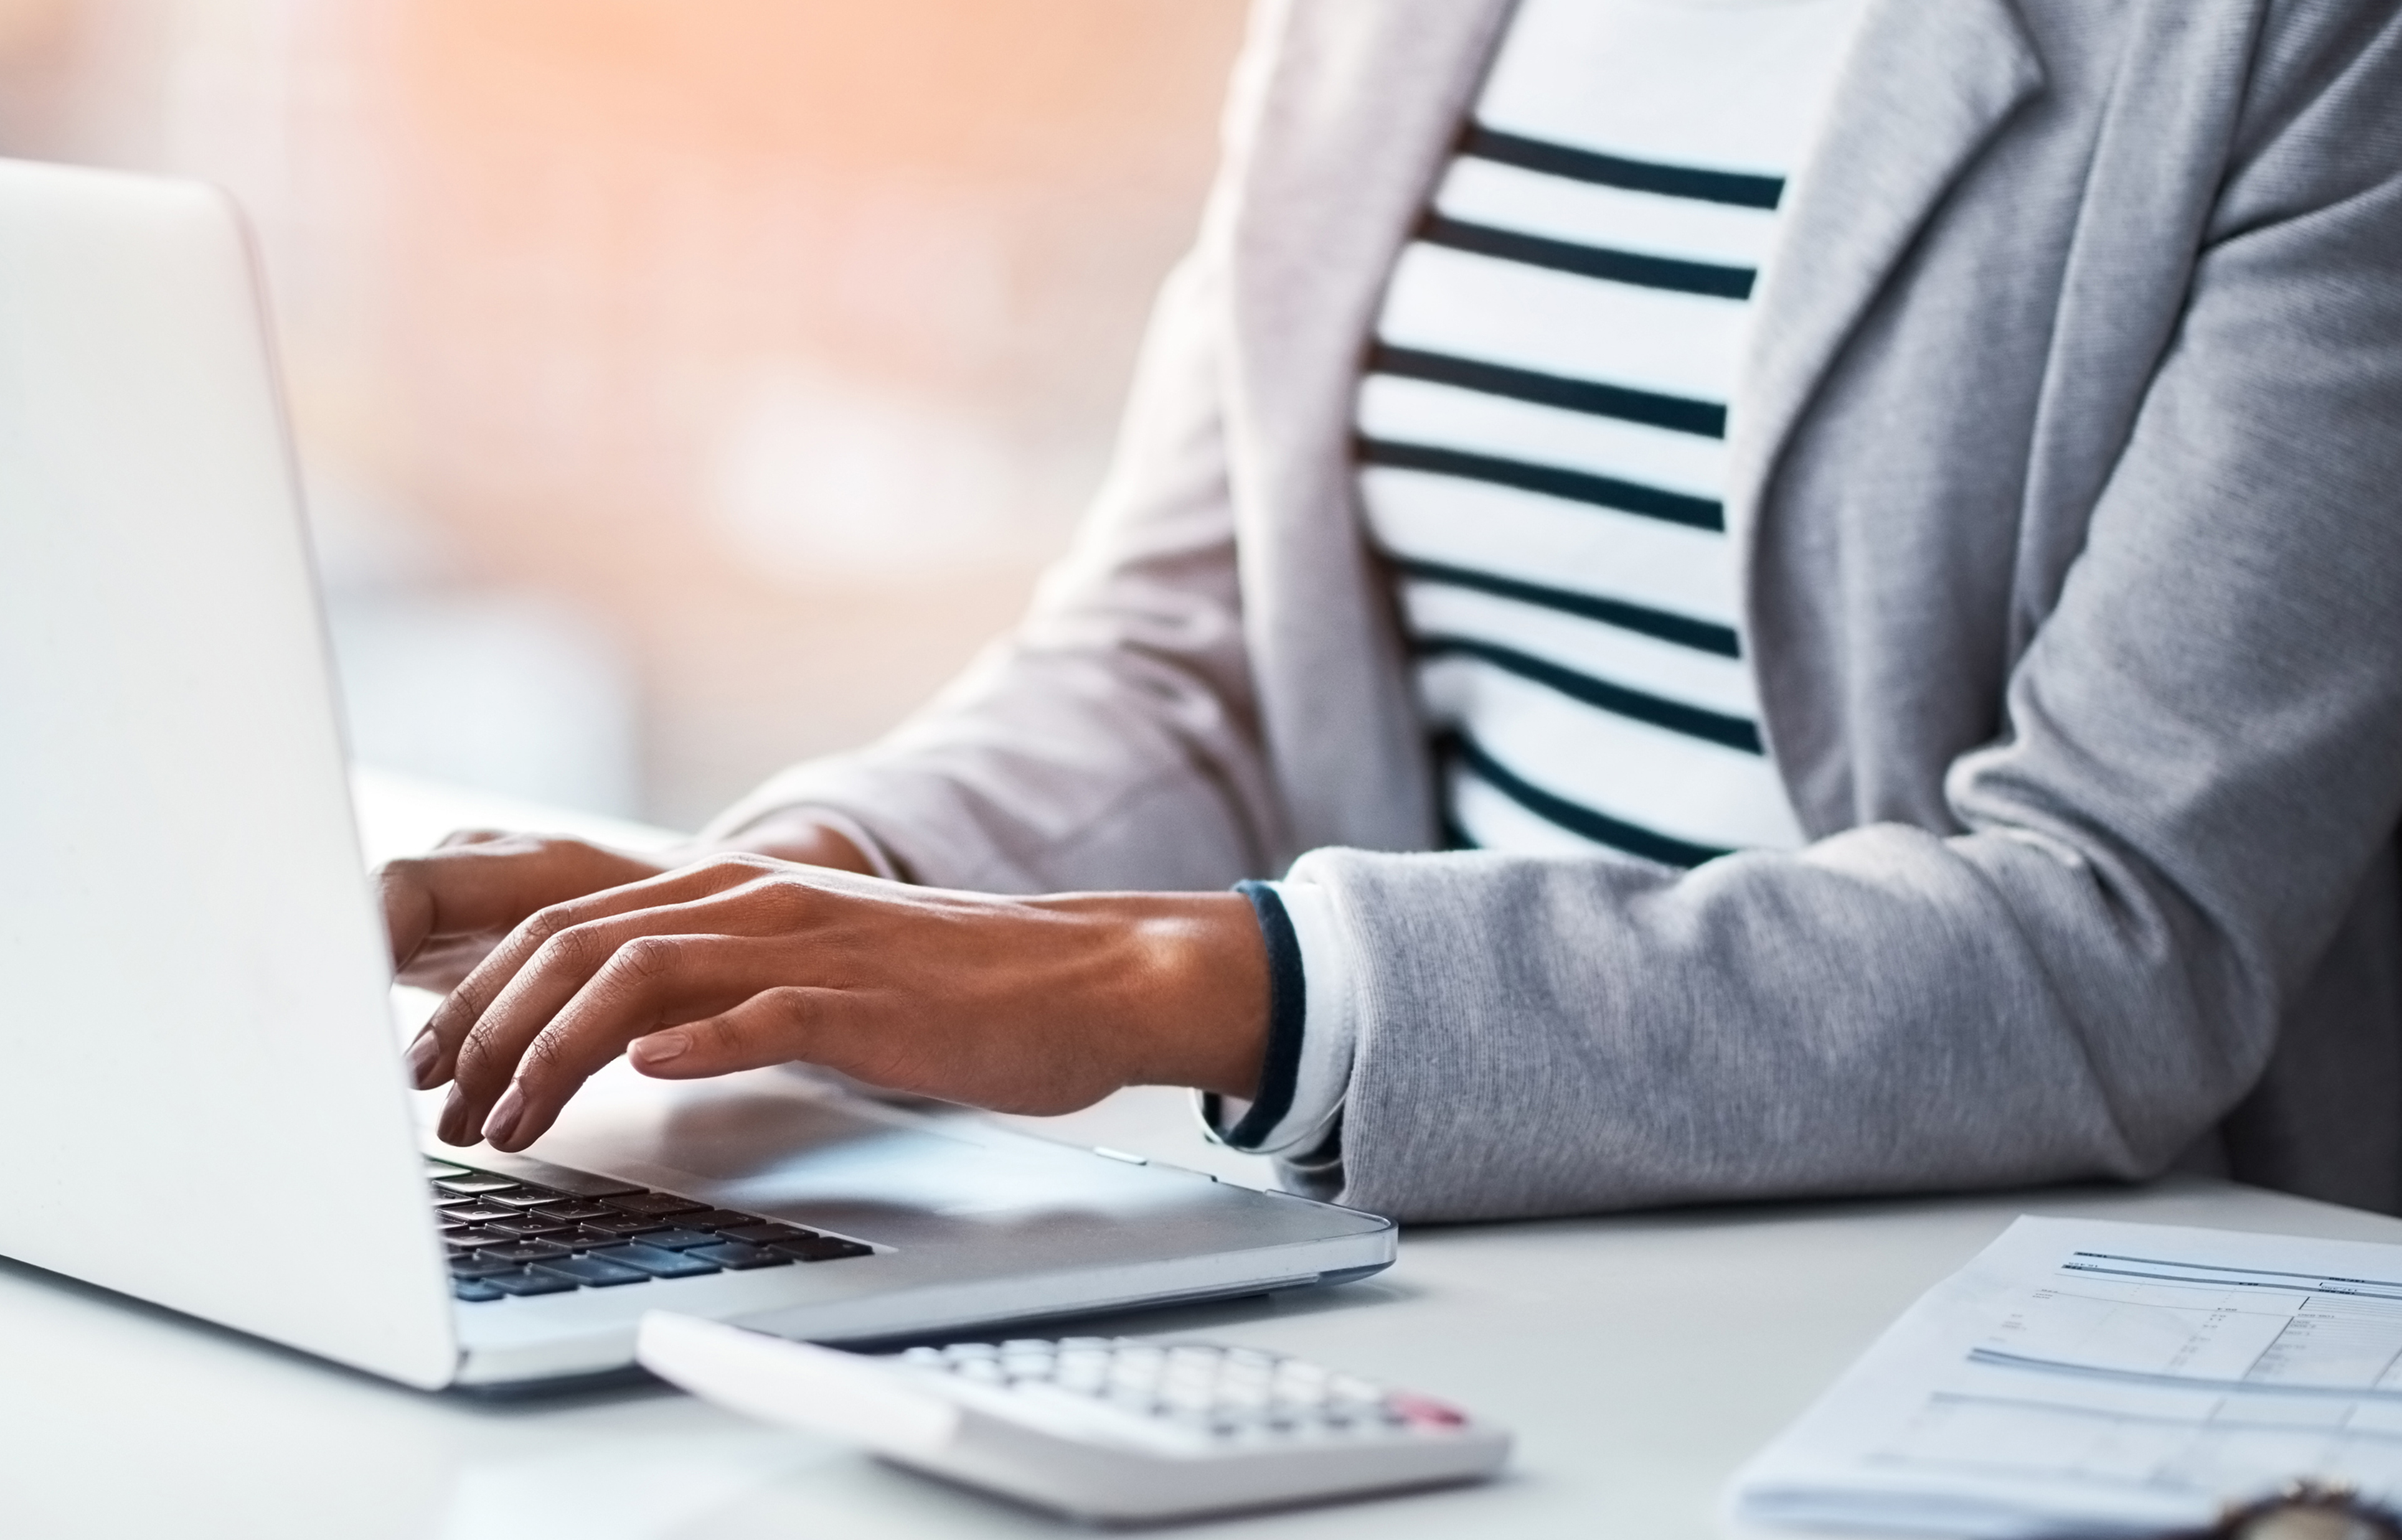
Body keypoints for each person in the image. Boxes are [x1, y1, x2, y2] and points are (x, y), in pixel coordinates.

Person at [377, 0, 2402, 1223]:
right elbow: (1197, 655)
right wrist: (813, 906)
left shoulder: (2303, 47)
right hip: (1456, 1240)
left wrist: (1168, 985)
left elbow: (2118, 939)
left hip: (1992, 1300)